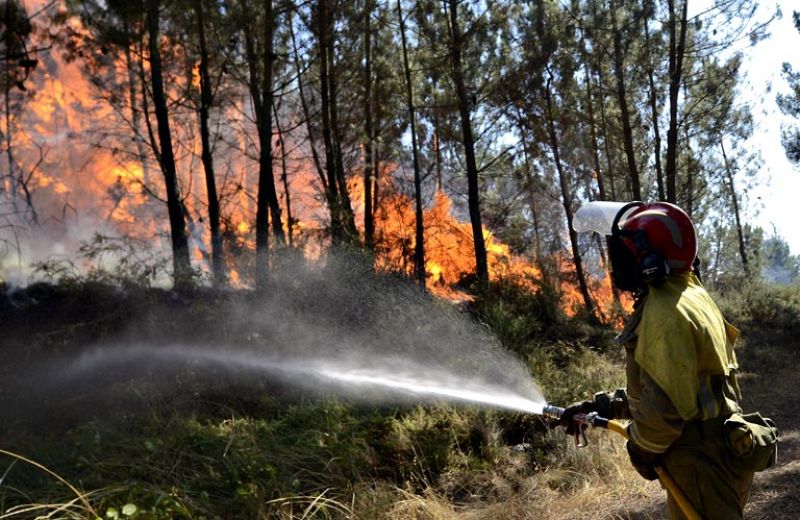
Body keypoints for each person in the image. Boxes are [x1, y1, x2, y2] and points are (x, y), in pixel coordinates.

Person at [565, 201, 754, 520]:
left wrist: (639, 450)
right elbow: (678, 383)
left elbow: (665, 408)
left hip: (699, 464)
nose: (617, 261)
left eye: (624, 249)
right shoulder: (690, 294)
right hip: (720, 452)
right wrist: (606, 406)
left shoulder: (665, 314)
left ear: (648, 257)